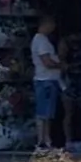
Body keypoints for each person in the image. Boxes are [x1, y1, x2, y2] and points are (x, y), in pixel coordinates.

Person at [29, 14, 63, 151]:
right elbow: (47, 62)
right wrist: (61, 66)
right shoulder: (41, 41)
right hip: (45, 81)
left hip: (49, 80)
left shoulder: (42, 40)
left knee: (48, 113)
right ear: (46, 24)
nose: (53, 28)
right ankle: (41, 142)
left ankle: (47, 141)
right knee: (43, 112)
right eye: (52, 24)